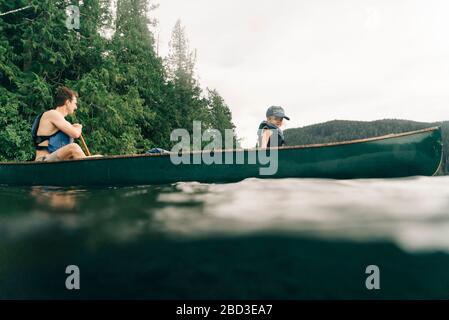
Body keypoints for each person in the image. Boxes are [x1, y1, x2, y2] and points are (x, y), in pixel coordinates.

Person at [32, 86, 86, 162]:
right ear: (67, 102)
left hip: (57, 159)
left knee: (98, 157)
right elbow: (75, 134)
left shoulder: (61, 120)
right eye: (75, 103)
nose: (76, 107)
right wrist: (78, 127)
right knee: (74, 148)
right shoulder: (53, 114)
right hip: (43, 160)